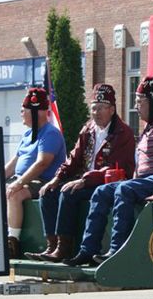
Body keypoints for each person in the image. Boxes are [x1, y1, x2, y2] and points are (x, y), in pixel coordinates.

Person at [63, 75, 153, 266]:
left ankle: (117, 251)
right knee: (101, 191)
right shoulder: (149, 128)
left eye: (139, 102)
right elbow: (140, 166)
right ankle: (88, 250)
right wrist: (132, 180)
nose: (136, 107)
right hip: (148, 180)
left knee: (124, 190)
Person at [26, 84, 135, 262]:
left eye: (101, 108)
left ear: (112, 109)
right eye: (93, 108)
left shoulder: (123, 133)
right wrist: (57, 178)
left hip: (107, 184)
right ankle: (52, 244)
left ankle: (65, 247)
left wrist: (85, 180)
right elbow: (73, 158)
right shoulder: (88, 129)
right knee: (48, 192)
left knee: (68, 193)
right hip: (84, 180)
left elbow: (118, 169)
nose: (96, 112)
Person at [5, 87, 67, 258]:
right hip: (24, 180)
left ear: (35, 112)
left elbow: (42, 163)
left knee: (14, 193)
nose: (21, 113)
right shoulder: (27, 135)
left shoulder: (51, 133)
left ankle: (12, 241)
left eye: (23, 110)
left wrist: (18, 183)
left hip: (44, 182)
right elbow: (13, 164)